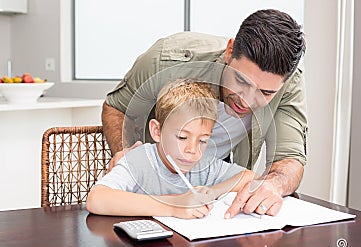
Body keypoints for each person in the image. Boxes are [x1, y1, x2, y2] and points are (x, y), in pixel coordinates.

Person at [101, 9, 307, 218]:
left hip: (211, 203)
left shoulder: (289, 84)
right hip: (151, 197)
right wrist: (125, 150)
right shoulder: (166, 59)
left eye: (265, 93)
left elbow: (290, 158)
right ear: (230, 51)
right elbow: (116, 106)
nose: (245, 100)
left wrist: (273, 185)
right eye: (241, 81)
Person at [87, 80, 258, 219]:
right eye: (182, 137)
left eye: (203, 140)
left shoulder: (203, 164)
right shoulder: (139, 160)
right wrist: (173, 206)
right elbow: (96, 198)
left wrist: (213, 191)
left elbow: (252, 178)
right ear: (157, 131)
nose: (192, 150)